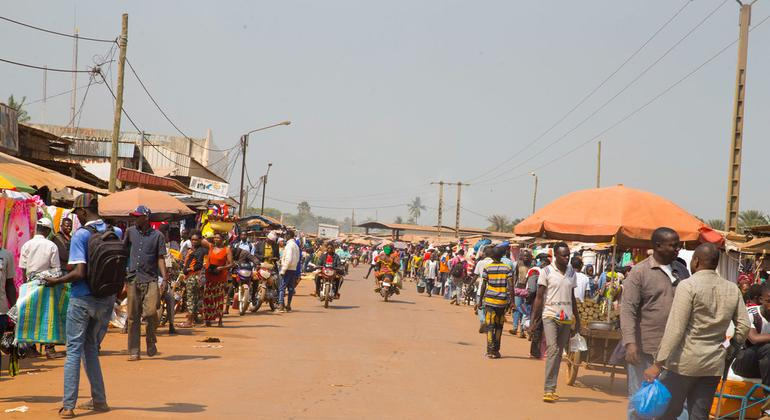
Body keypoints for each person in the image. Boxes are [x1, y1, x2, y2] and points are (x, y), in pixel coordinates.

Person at [644, 243, 749, 420]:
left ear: (696, 261)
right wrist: (731, 349)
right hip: (712, 365)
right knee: (699, 415)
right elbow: (744, 325)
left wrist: (658, 363)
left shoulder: (688, 285)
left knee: (667, 414)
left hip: (682, 364)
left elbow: (675, 328)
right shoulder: (732, 288)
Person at [45, 193, 121, 418]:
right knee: (90, 349)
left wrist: (56, 281)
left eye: (77, 212)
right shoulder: (115, 232)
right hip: (106, 300)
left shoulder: (80, 235)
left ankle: (69, 406)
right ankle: (100, 400)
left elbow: (79, 272)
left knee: (74, 351)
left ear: (84, 211)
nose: (76, 216)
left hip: (82, 299)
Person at [620, 227, 690, 420]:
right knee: (641, 402)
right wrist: (630, 343)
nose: (677, 249)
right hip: (646, 349)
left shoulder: (682, 271)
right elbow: (628, 310)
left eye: (678, 245)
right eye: (673, 245)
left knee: (675, 404)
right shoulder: (639, 272)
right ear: (658, 246)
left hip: (676, 351)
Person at [530, 242, 580, 403]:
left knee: (559, 353)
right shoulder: (546, 272)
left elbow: (572, 297)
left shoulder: (572, 273)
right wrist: (533, 320)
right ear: (556, 255)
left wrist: (577, 319)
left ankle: (552, 388)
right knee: (552, 349)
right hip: (550, 315)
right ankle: (548, 389)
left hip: (566, 317)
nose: (567, 258)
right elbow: (539, 297)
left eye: (568, 255)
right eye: (564, 255)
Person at [124, 206, 167, 361]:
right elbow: (124, 253)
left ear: (146, 218)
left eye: (138, 216)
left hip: (151, 279)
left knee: (150, 313)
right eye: (135, 216)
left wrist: (165, 278)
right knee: (132, 317)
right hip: (133, 278)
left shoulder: (158, 236)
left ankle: (150, 340)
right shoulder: (130, 232)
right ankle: (134, 350)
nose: (136, 219)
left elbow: (160, 258)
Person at [19, 218, 63, 358]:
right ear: (48, 230)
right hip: (47, 284)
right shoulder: (51, 245)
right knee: (48, 315)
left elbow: (22, 268)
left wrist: (26, 284)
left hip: (30, 283)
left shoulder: (27, 244)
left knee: (31, 315)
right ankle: (49, 349)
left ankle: (31, 347)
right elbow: (56, 269)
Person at [479, 245, 514, 358]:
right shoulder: (507, 268)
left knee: (490, 326)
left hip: (489, 301)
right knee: (499, 326)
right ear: (502, 256)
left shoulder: (487, 268)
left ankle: (489, 351)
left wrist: (480, 300)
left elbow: (484, 285)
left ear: (492, 256)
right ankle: (496, 350)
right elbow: (510, 286)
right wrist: (512, 301)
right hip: (502, 302)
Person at [177, 231, 207, 328]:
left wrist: (188, 269)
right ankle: (196, 319)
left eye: (196, 240)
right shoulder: (193, 250)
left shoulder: (200, 251)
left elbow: (198, 265)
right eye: (192, 239)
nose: (194, 241)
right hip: (191, 276)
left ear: (200, 240)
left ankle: (189, 321)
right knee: (195, 299)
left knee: (191, 299)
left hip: (193, 277)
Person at [203, 232, 233, 327]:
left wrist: (222, 268)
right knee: (207, 299)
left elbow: (231, 264)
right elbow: (202, 240)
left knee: (218, 299)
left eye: (218, 238)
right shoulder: (211, 247)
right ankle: (207, 320)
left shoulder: (227, 250)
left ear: (223, 239)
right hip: (209, 276)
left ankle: (220, 320)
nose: (216, 239)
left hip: (220, 277)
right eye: (215, 238)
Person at [511, 249, 533, 337]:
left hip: (528, 290)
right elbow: (515, 276)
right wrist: (513, 288)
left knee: (525, 310)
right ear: (521, 257)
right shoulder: (518, 264)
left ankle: (522, 330)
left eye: (528, 256)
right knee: (516, 308)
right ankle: (515, 327)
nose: (526, 258)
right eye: (524, 256)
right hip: (518, 289)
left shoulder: (532, 266)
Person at [278, 230, 301, 312]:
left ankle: (280, 306)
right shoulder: (296, 245)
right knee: (291, 288)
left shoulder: (289, 246)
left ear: (288, 236)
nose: (285, 237)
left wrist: (283, 270)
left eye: (285, 235)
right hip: (293, 269)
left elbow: (288, 259)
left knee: (282, 288)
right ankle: (288, 305)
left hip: (287, 269)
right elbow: (298, 259)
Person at [473, 246, 494, 333]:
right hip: (492, 289)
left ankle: (482, 321)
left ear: (485, 254)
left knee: (480, 306)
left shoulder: (480, 262)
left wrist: (470, 284)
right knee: (488, 308)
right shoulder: (494, 263)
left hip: (481, 288)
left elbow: (475, 275)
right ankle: (487, 322)